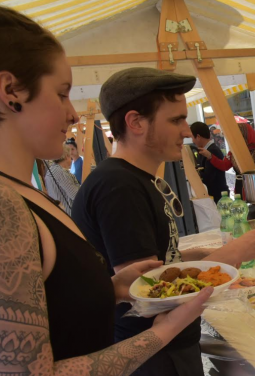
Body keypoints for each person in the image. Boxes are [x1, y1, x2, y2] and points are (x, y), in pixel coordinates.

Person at [0, 6, 209, 374]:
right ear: (10, 91)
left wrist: (111, 288)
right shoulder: (6, 208)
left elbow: (55, 309)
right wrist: (163, 332)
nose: (73, 114)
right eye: (62, 94)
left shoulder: (22, 194)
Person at [71, 67, 255, 376]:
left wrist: (193, 257)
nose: (187, 131)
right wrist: (233, 254)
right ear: (135, 122)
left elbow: (150, 264)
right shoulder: (119, 187)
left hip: (163, 348)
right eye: (175, 119)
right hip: (153, 355)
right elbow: (149, 292)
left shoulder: (132, 179)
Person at [197, 121, 255, 200]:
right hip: (239, 188)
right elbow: (224, 166)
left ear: (244, 136)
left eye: (237, 136)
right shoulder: (234, 152)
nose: (233, 139)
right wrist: (210, 156)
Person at [190, 121, 229, 204]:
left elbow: (208, 177)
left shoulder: (212, 151)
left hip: (218, 198)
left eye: (192, 137)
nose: (192, 141)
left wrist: (193, 174)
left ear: (198, 136)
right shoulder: (204, 150)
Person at [43, 143, 80, 215]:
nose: (71, 160)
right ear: (66, 156)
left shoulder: (52, 170)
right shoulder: (60, 172)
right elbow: (76, 195)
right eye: (70, 157)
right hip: (69, 215)